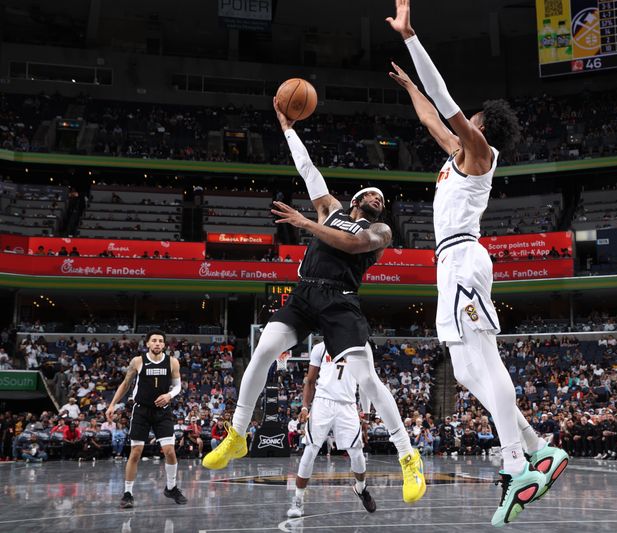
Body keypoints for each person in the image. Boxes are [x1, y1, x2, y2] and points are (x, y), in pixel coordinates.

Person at [386, 0, 566, 525]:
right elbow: (432, 114)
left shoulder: (481, 151)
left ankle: (516, 467)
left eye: (474, 118)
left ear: (485, 128)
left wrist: (411, 38)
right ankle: (538, 448)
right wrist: (411, 89)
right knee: (465, 371)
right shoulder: (457, 158)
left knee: (485, 361)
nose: (468, 119)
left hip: (464, 258)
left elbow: (445, 104)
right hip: (448, 265)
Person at [202, 97, 425, 505]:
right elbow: (307, 168)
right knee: (263, 350)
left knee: (369, 380)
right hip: (305, 291)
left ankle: (408, 456)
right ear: (355, 199)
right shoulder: (330, 208)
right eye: (371, 195)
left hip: (341, 301)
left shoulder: (379, 232)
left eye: (382, 199)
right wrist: (288, 128)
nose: (378, 200)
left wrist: (305, 223)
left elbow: (353, 243)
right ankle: (236, 434)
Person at [287, 342, 376, 518]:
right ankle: (297, 500)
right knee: (310, 450)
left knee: (357, 453)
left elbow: (366, 382)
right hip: (322, 402)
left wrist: (365, 414)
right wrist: (305, 407)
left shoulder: (359, 346)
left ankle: (360, 488)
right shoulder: (320, 347)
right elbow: (310, 381)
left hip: (348, 404)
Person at [105, 330, 187, 508]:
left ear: (164, 345)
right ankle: (128, 493)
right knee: (135, 453)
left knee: (170, 451)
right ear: (148, 344)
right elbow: (126, 384)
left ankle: (171, 488)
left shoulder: (172, 362)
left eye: (160, 341)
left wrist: (169, 395)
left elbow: (178, 386)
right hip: (141, 411)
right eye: (154, 341)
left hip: (162, 412)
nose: (157, 343)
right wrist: (112, 404)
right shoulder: (138, 361)